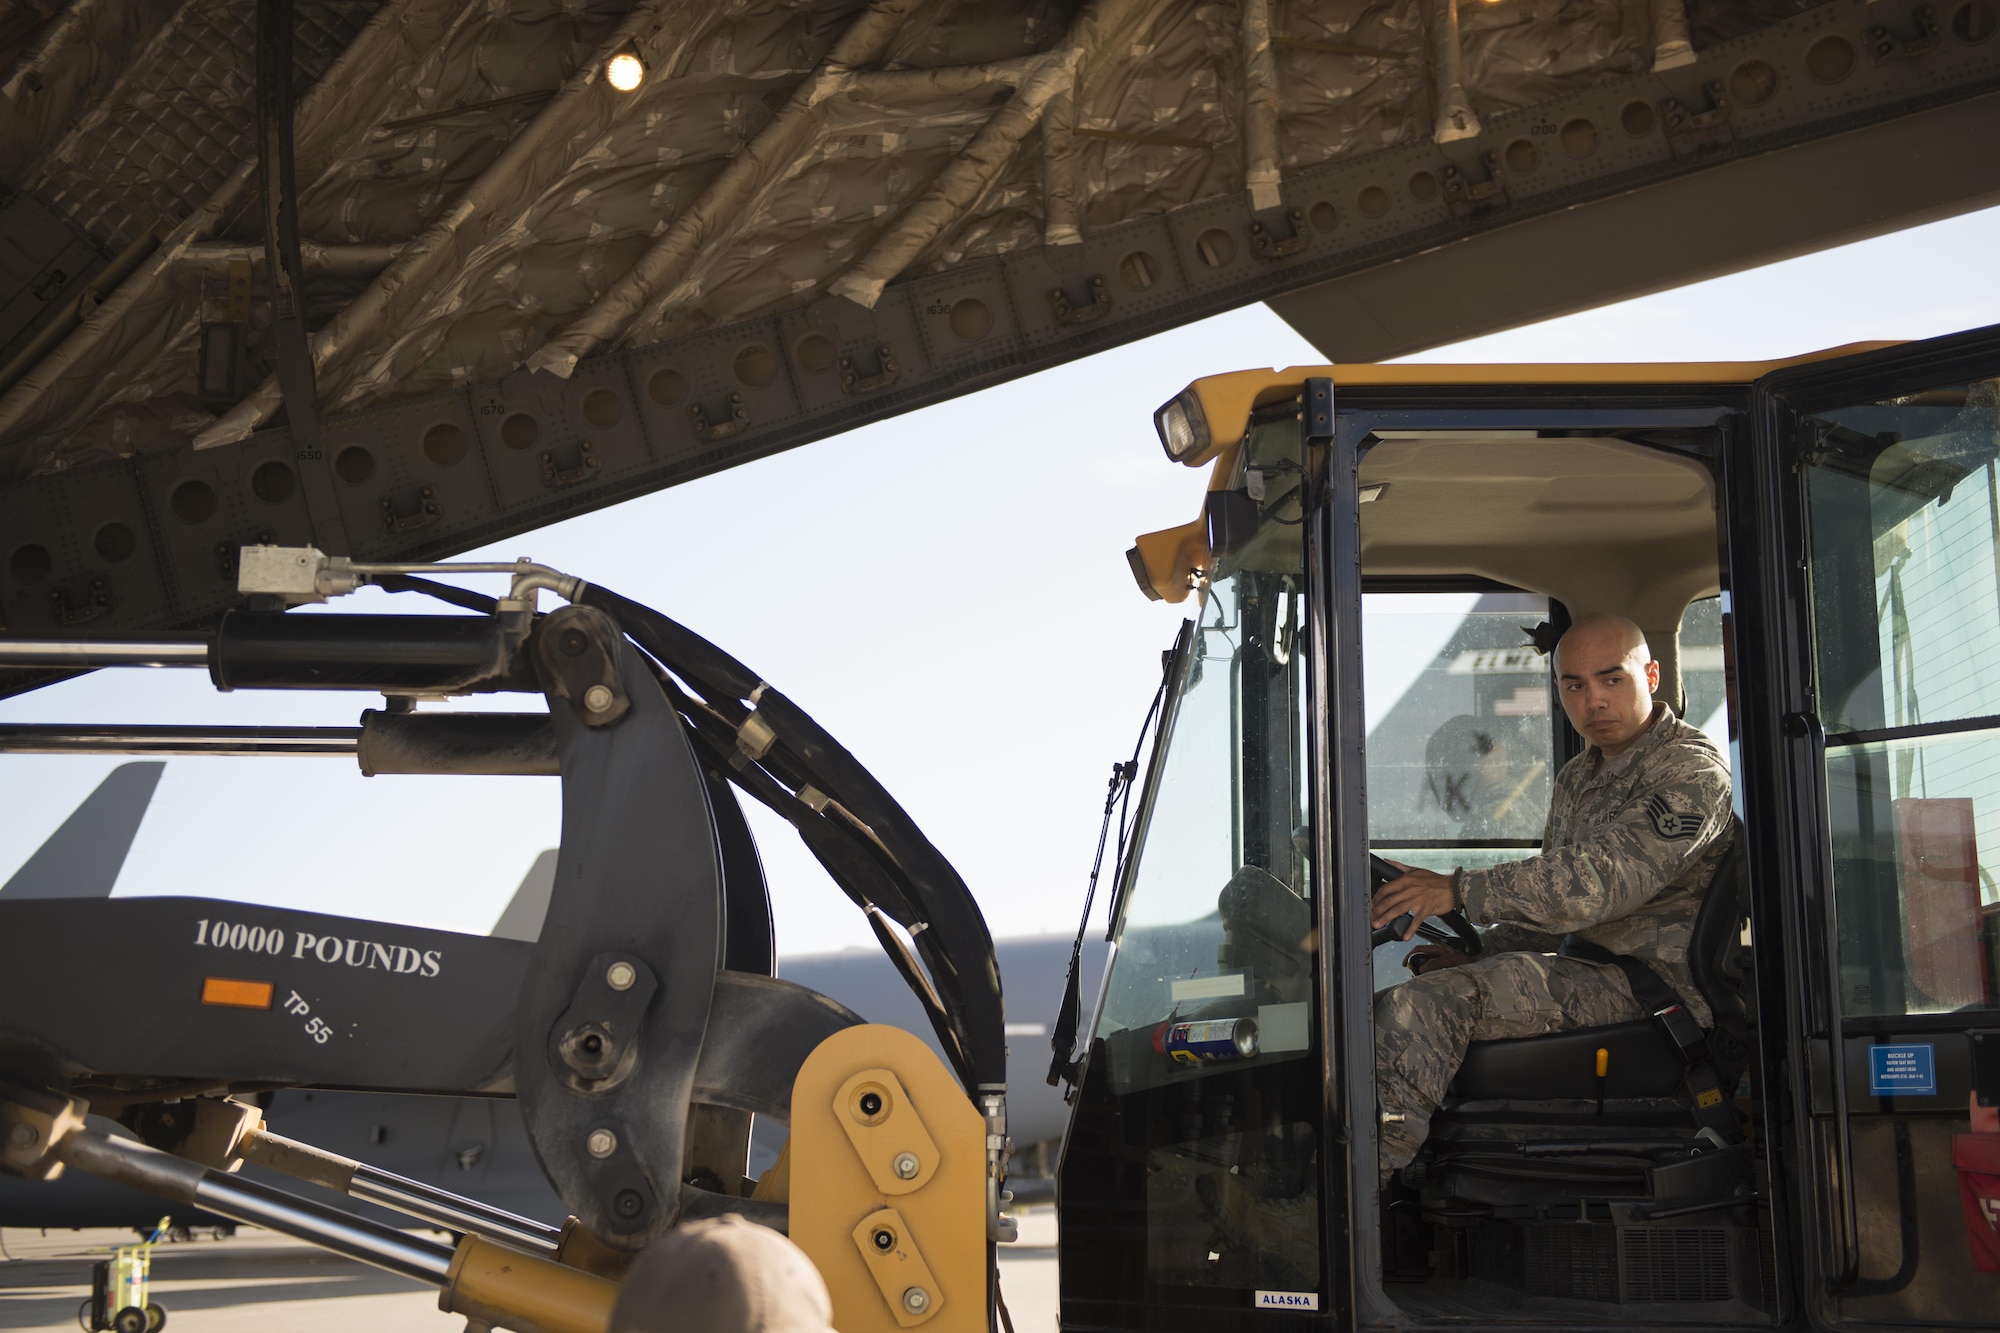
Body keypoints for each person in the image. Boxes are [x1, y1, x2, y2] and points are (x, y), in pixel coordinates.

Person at [1368, 611, 1733, 1185]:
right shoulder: (1577, 776)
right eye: (1574, 685)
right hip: (1583, 974)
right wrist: (1480, 956)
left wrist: (1459, 890)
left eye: (1612, 680)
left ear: (1653, 676)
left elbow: (1601, 883)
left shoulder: (1691, 771)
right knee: (1389, 1000)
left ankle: (1364, 1196)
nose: (1594, 702)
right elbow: (1548, 911)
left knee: (1418, 1011)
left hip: (1650, 992)